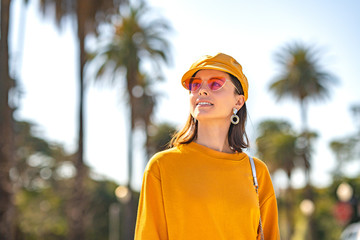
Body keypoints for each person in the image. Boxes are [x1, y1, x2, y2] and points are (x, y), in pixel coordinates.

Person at [134, 53, 280, 240]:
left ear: (238, 101)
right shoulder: (162, 166)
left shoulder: (257, 173)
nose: (202, 90)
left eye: (215, 83)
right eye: (195, 85)